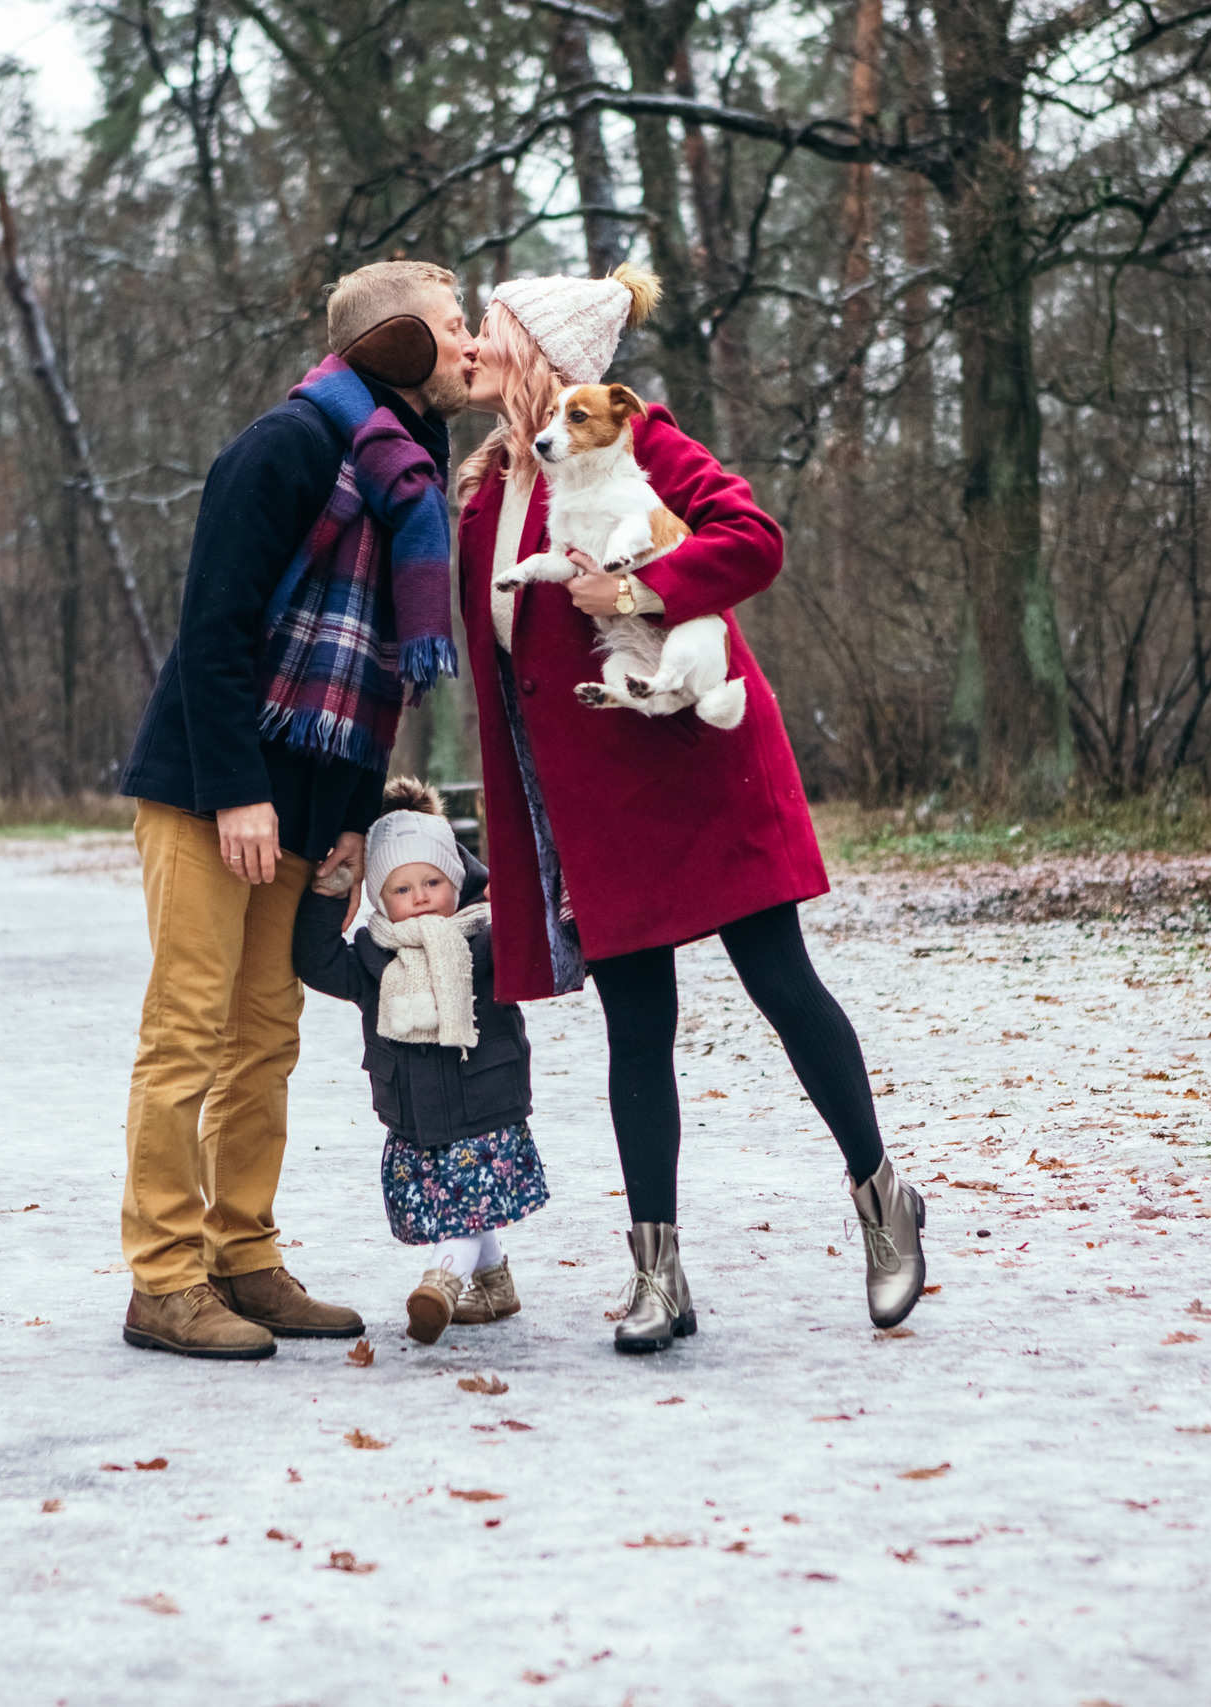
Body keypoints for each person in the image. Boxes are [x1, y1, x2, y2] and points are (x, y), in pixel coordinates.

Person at [451, 266, 926, 1354]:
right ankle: (657, 1276)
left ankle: (882, 1202)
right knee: (636, 1031)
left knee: (782, 987)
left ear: (544, 354)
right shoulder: (484, 488)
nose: (473, 349)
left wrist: (633, 592)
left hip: (697, 763)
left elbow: (751, 539)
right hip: (595, 798)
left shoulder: (641, 438)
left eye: (491, 331)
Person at [114, 261, 479, 1360]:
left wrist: (354, 819)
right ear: (400, 344)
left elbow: (372, 674)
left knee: (266, 1038)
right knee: (188, 1031)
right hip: (207, 787)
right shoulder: (285, 448)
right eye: (454, 325)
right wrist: (236, 790)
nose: (470, 345)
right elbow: (215, 630)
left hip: (310, 803)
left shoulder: (406, 470)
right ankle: (164, 1279)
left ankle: (244, 1256)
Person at [292, 779, 546, 1346]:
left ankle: (442, 1282)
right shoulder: (370, 959)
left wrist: (521, 888)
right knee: (462, 1206)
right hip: (415, 1117)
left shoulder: (489, 940)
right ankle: (496, 1284)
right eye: (403, 888)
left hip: (487, 1110)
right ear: (382, 899)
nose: (422, 895)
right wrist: (333, 889)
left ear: (455, 882)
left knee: (462, 1210)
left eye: (434, 881)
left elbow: (545, 942)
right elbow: (314, 957)